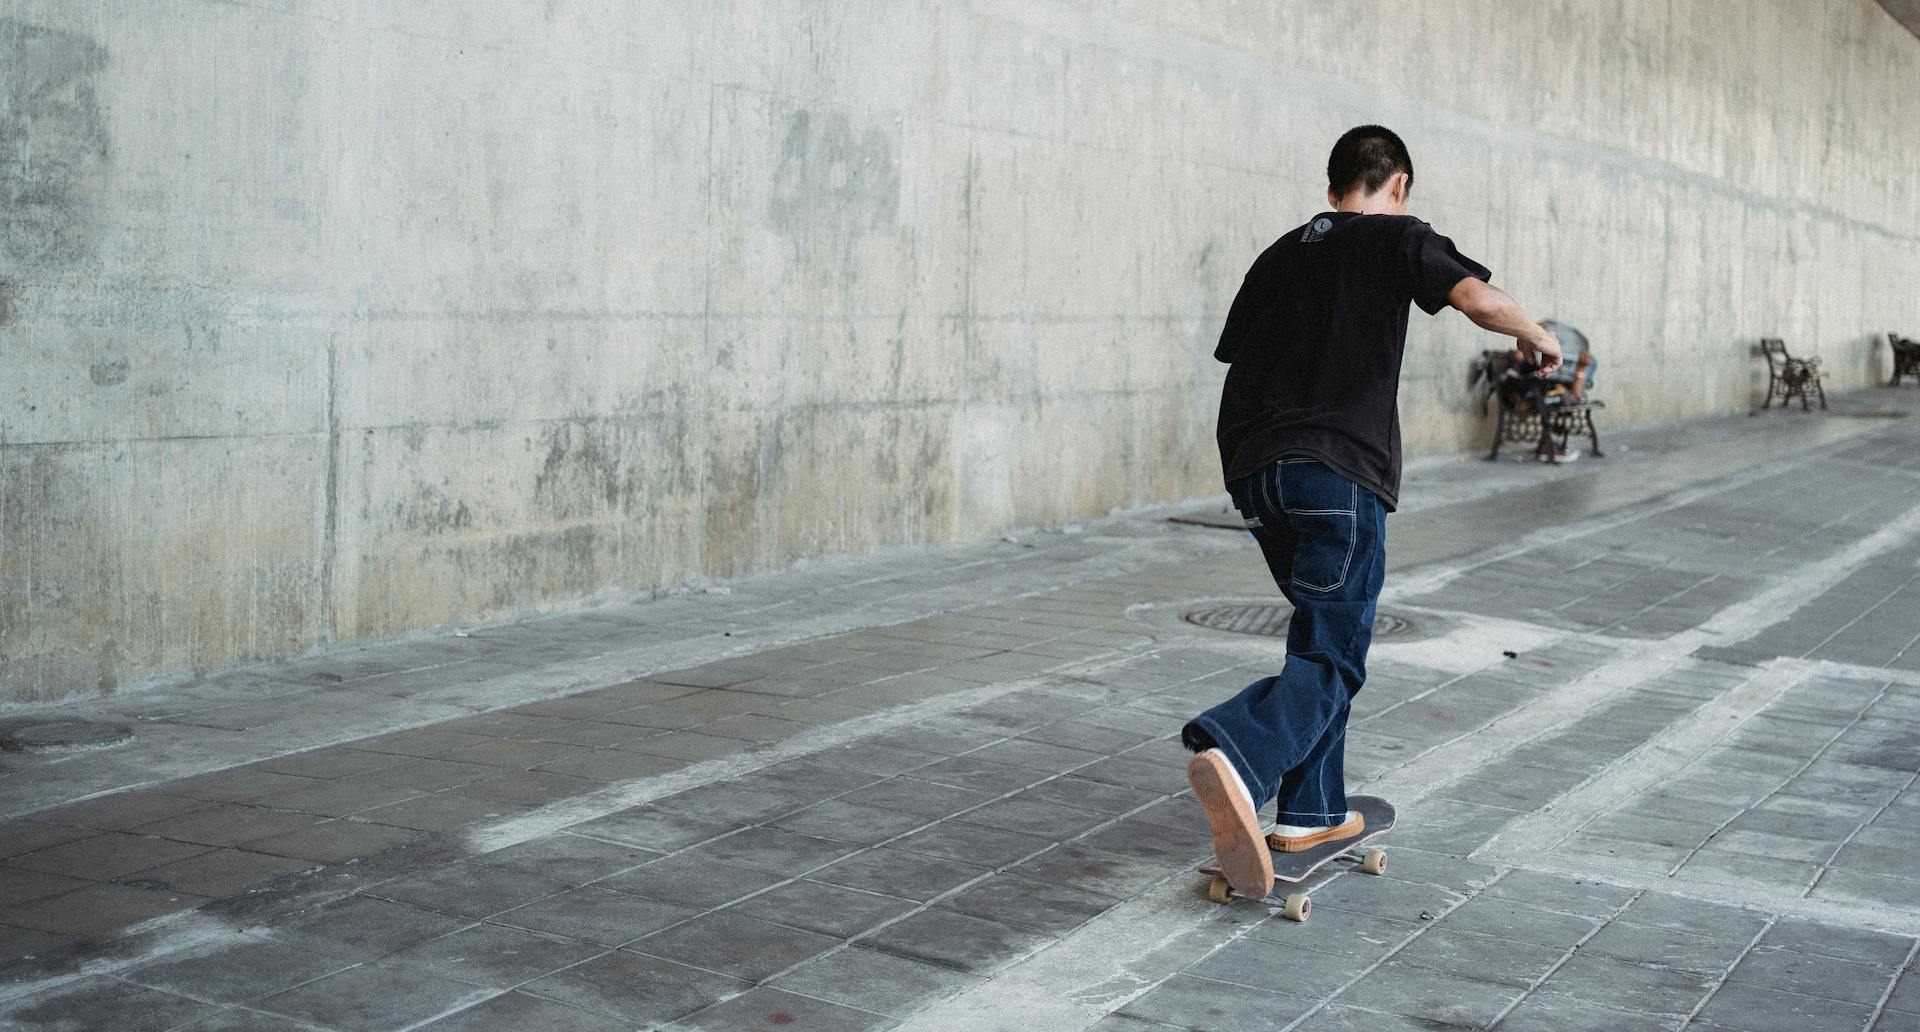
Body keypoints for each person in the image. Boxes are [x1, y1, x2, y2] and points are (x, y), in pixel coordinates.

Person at [1183, 125, 1561, 898]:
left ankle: (1313, 811)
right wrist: (1536, 333)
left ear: (1331, 190)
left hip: (1256, 473)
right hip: (1338, 474)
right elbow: (1478, 300)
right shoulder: (1399, 238)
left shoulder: (1282, 252)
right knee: (1335, 654)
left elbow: (1237, 355)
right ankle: (1241, 750)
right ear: (1400, 186)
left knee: (1327, 631)